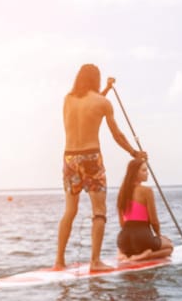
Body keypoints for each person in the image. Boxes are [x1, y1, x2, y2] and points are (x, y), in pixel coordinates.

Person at [55, 64, 147, 272]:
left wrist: (106, 88)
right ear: (96, 80)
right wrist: (135, 153)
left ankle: (59, 261)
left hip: (70, 159)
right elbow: (117, 135)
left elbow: (88, 107)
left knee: (70, 211)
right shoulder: (103, 103)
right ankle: (95, 262)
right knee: (99, 211)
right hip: (91, 158)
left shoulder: (68, 100)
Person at [116, 159, 173, 262]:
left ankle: (123, 254)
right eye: (144, 170)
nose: (147, 173)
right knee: (169, 247)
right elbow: (154, 220)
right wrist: (159, 236)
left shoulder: (122, 192)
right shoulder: (147, 191)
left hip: (123, 239)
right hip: (142, 238)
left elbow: (121, 223)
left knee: (128, 246)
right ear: (135, 173)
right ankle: (145, 256)